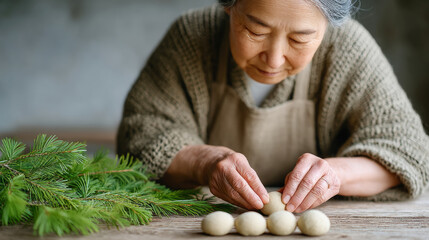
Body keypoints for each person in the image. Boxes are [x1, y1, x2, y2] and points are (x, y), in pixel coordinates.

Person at [117, 0, 429, 212]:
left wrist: (336, 173)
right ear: (229, 7)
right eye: (256, 31)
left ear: (328, 27)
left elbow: (410, 152)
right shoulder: (192, 37)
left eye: (299, 39)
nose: (274, 58)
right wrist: (206, 162)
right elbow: (141, 134)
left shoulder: (348, 49)